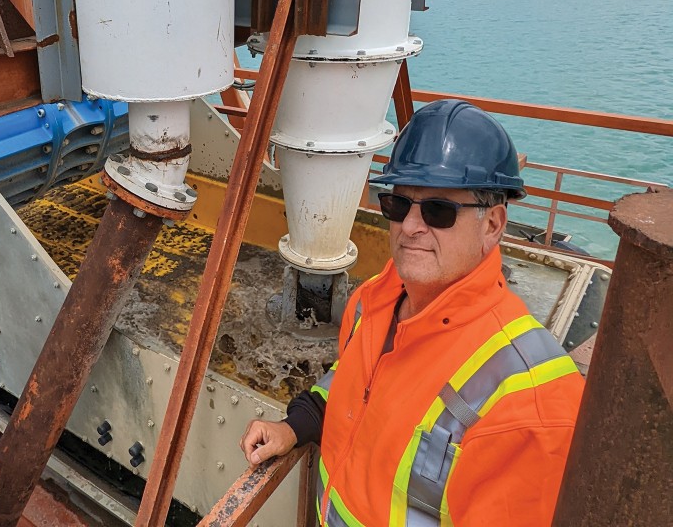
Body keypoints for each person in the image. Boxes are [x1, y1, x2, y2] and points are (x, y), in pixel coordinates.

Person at [240, 99, 584, 526]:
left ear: (493, 225)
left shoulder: (531, 401)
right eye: (398, 205)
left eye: (439, 210)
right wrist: (292, 428)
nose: (411, 226)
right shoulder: (373, 302)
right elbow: (350, 387)